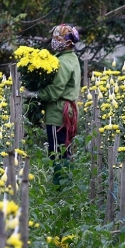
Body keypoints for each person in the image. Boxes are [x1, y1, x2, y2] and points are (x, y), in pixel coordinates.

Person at [23, 23, 81, 185]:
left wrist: (35, 94)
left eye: (58, 38)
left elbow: (55, 91)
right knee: (65, 150)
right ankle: (65, 184)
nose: (54, 41)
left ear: (67, 41)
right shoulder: (72, 58)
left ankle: (60, 186)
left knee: (57, 151)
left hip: (58, 113)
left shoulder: (62, 63)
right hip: (68, 110)